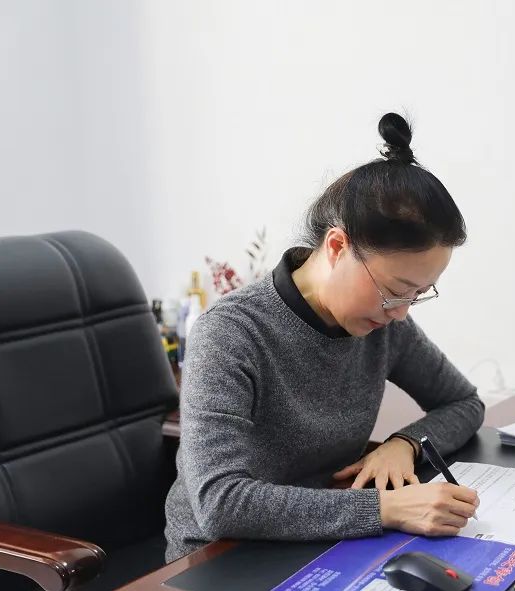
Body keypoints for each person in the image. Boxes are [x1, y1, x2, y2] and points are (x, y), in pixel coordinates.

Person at [164, 112, 484, 561]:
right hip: (223, 560)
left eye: (418, 294)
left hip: (329, 539)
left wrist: (404, 445)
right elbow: (220, 503)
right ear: (337, 247)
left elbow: (464, 403)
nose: (401, 313)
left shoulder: (384, 324)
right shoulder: (231, 333)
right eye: (395, 290)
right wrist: (385, 509)